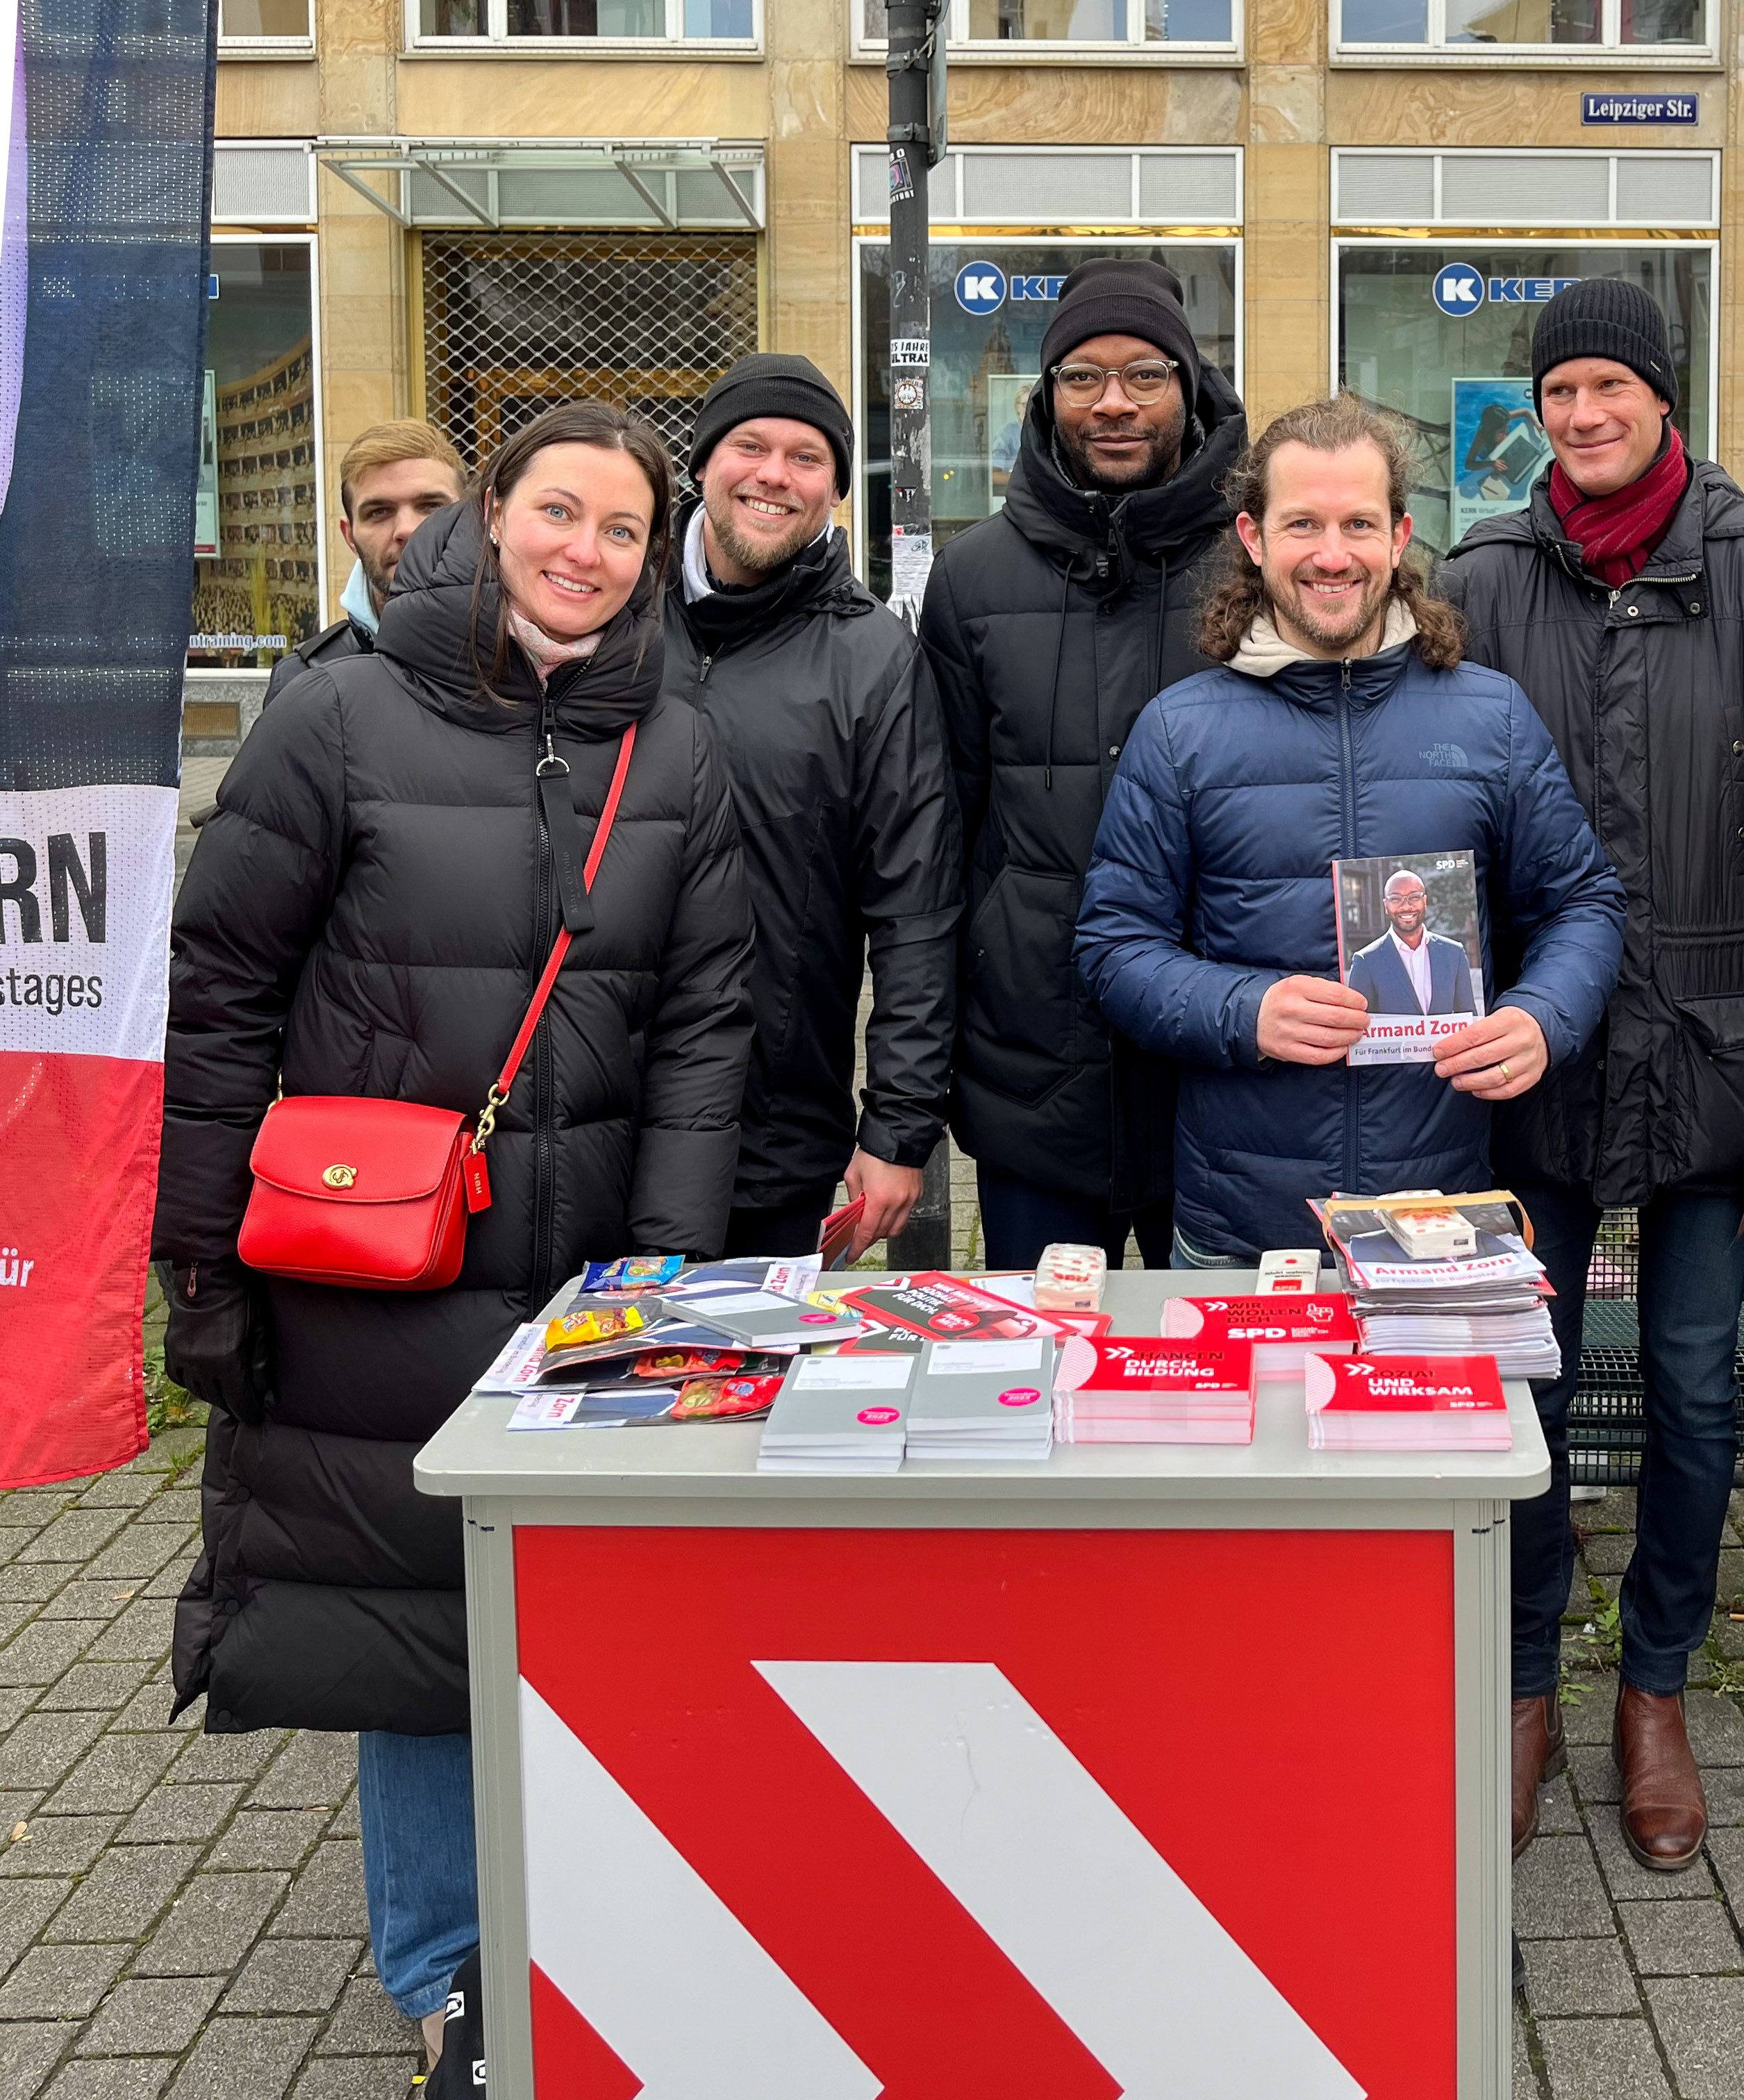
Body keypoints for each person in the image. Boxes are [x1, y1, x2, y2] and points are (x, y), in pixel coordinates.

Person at [157, 401, 754, 2067]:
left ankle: (589, 1927)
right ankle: (446, 1985)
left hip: (591, 1272)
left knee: (593, 1613)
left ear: (655, 553)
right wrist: (200, 1259)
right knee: (418, 1625)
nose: (584, 552)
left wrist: (670, 1259)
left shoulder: (678, 742)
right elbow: (221, 998)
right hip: (380, 1267)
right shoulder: (337, 716)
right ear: (492, 515)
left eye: (622, 530)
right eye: (557, 512)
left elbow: (710, 1023)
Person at [1439, 278, 1744, 1870]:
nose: (1584, 414)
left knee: (1692, 1389)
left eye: (1611, 385)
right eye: (1560, 392)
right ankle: (1530, 1678)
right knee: (1522, 1381)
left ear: (1663, 399)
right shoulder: (1483, 575)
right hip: (1526, 1055)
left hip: (1714, 1050)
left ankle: (1657, 1689)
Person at [1075, 395, 1622, 1262]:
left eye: (1358, 524)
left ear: (1400, 538)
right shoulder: (1180, 730)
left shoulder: (1492, 717)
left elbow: (1583, 904)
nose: (1333, 556)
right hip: (1243, 1233)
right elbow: (1112, 948)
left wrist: (1543, 1016)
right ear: (1254, 539)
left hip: (1439, 1222)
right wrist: (1243, 1008)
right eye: (1303, 525)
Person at [923, 258, 1249, 1270]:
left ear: (1188, 389)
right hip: (1034, 1078)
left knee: (1221, 1395)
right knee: (1039, 1391)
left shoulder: (1256, 563)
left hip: (1220, 1078)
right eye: (1082, 377)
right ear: (1047, 392)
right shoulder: (973, 577)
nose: (1113, 403)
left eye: (1145, 374)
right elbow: (943, 837)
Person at [663, 353, 960, 1258]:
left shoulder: (874, 659)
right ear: (703, 464)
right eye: (750, 445)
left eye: (807, 458)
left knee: (748, 1393)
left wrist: (897, 1131)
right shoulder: (607, 617)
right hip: (588, 1119)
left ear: (835, 489)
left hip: (773, 1130)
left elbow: (916, 912)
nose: (774, 475)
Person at [267, 419, 467, 702]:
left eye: (431, 507)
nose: (406, 530)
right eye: (379, 512)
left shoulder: (529, 665)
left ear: (474, 520)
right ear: (350, 537)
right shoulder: (303, 682)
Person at [1346, 868, 1479, 1018]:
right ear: (1386, 906)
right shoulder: (1366, 961)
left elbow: (1468, 1018)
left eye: (1414, 897)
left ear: (1425, 901)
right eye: (1396, 899)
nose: (1406, 906)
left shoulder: (1454, 953)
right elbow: (1358, 1025)